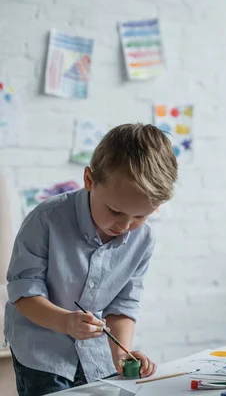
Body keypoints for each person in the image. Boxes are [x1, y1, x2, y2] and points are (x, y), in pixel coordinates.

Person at [4, 123, 178, 396]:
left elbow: (123, 305)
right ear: (89, 180)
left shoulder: (142, 239)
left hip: (95, 355)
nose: (125, 225)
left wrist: (121, 353)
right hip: (41, 353)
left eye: (140, 216)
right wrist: (64, 323)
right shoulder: (47, 218)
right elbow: (23, 293)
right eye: (115, 211)